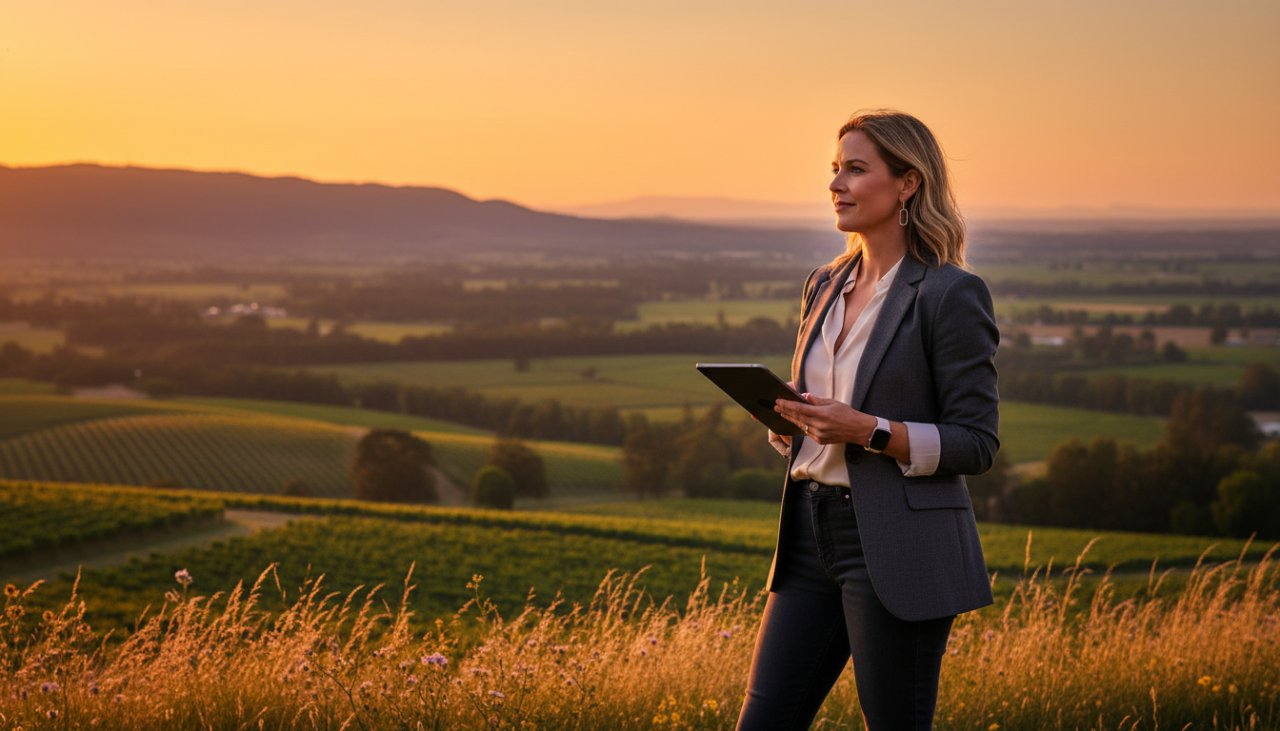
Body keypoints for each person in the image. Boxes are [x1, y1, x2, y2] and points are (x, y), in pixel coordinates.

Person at [735, 109, 999, 730]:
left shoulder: (949, 294)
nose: (836, 184)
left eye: (856, 169)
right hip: (806, 534)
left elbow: (978, 442)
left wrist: (870, 431)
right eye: (835, 169)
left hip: (895, 545)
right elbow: (824, 419)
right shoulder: (824, 282)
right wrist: (791, 427)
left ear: (907, 183)